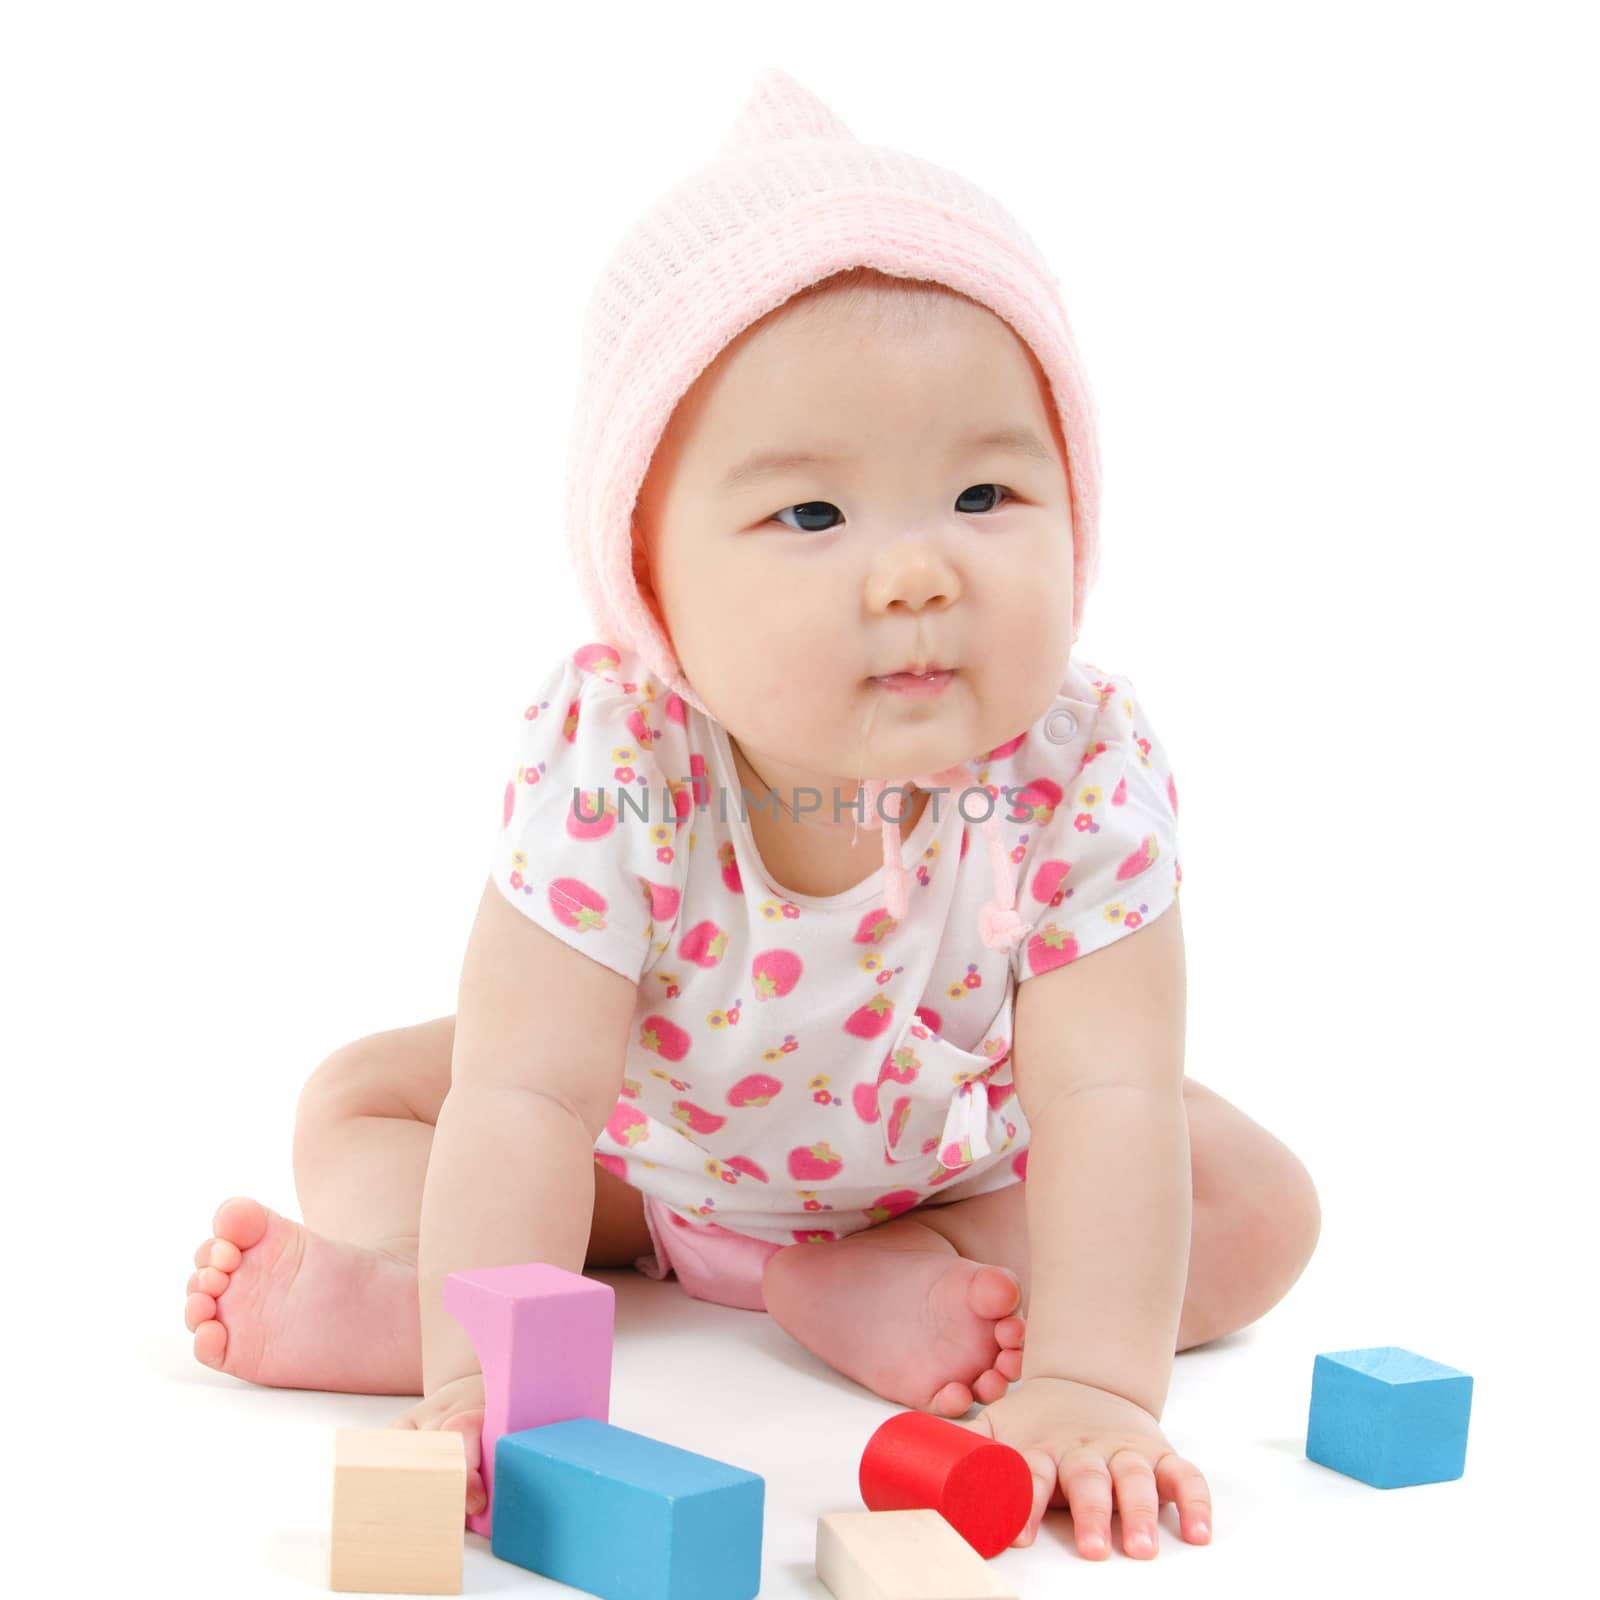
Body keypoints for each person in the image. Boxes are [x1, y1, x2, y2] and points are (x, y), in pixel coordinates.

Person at [182, 67, 1321, 1560]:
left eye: (984, 496)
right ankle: (427, 1298)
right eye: (811, 515)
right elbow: (531, 1096)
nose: (918, 572)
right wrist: (484, 1382)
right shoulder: (622, 759)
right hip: (645, 1168)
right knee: (378, 1098)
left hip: (946, 1163)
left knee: (1251, 1198)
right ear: (649, 575)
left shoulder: (1075, 770)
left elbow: (1105, 1096)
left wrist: (1095, 1382)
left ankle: (902, 1275)